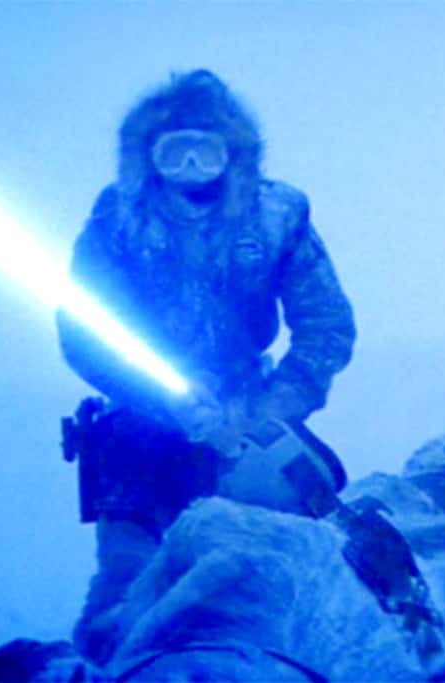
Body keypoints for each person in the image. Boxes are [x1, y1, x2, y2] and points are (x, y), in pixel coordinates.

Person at [56, 69, 356, 664]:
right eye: (175, 153)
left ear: (234, 154)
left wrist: (270, 408)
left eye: (206, 152)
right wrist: (164, 399)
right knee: (124, 595)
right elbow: (82, 331)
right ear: (147, 156)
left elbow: (327, 325)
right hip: (138, 432)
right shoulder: (118, 217)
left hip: (249, 427)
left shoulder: (279, 215)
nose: (191, 169)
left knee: (282, 584)